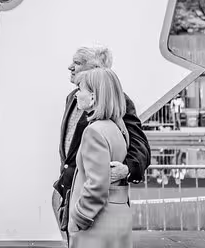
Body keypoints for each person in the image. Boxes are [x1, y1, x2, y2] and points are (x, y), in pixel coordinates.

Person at [53, 46, 150, 235]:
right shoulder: (72, 98)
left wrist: (127, 169)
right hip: (66, 193)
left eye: (78, 63)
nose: (70, 67)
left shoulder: (117, 100)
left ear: (96, 69)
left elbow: (141, 146)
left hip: (91, 202)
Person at [66, 68, 132, 247]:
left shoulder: (94, 131)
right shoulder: (118, 128)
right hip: (118, 216)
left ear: (93, 97)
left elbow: (96, 185)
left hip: (97, 225)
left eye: (80, 89)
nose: (76, 95)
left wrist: (79, 218)